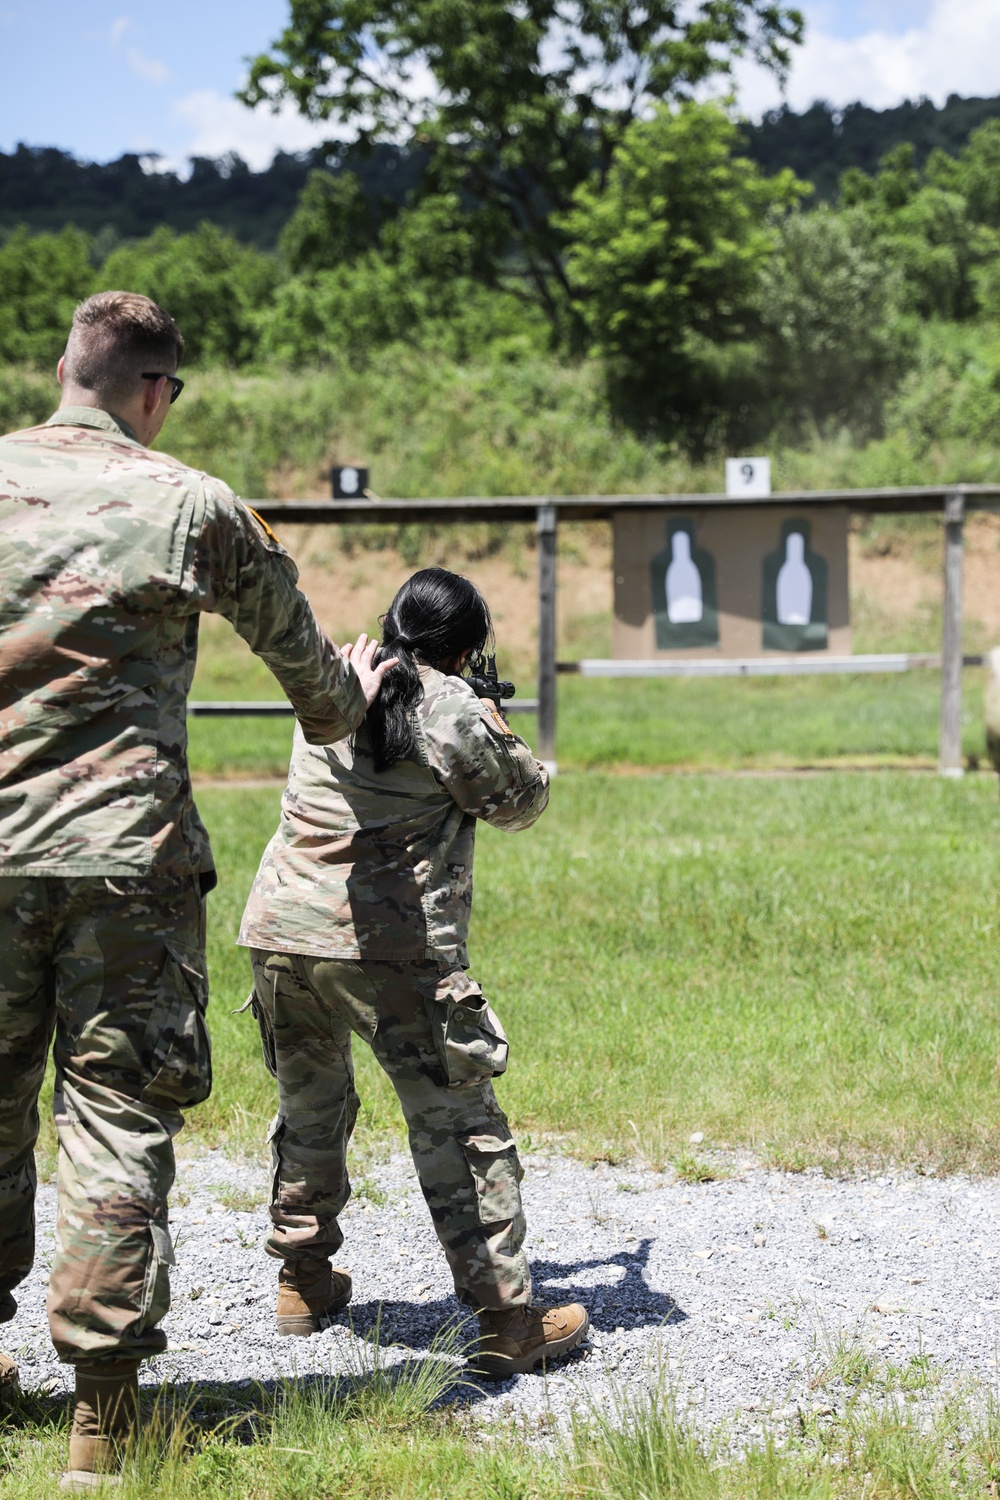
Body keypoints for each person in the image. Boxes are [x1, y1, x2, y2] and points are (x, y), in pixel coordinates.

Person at [0, 290, 395, 1487]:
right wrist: (360, 690)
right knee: (114, 1118)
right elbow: (318, 688)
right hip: (124, 865)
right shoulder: (191, 504)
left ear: (66, 369)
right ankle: (102, 1420)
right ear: (156, 392)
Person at [239, 567, 589, 1380]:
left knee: (310, 1110)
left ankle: (302, 1280)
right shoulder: (451, 707)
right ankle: (507, 1321)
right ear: (464, 647)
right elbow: (520, 801)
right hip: (388, 949)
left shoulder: (340, 676)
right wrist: (496, 723)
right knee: (458, 1127)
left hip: (282, 933)